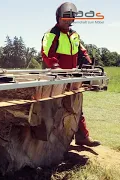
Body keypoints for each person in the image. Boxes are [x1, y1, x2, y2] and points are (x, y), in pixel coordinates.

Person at [41, 2, 101, 147]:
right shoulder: (51, 34)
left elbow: (82, 52)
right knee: (53, 108)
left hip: (73, 76)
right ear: (58, 18)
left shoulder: (74, 35)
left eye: (70, 19)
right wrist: (56, 68)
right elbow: (46, 53)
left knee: (76, 107)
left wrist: (88, 64)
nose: (68, 22)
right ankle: (50, 142)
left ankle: (82, 137)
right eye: (65, 19)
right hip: (56, 78)